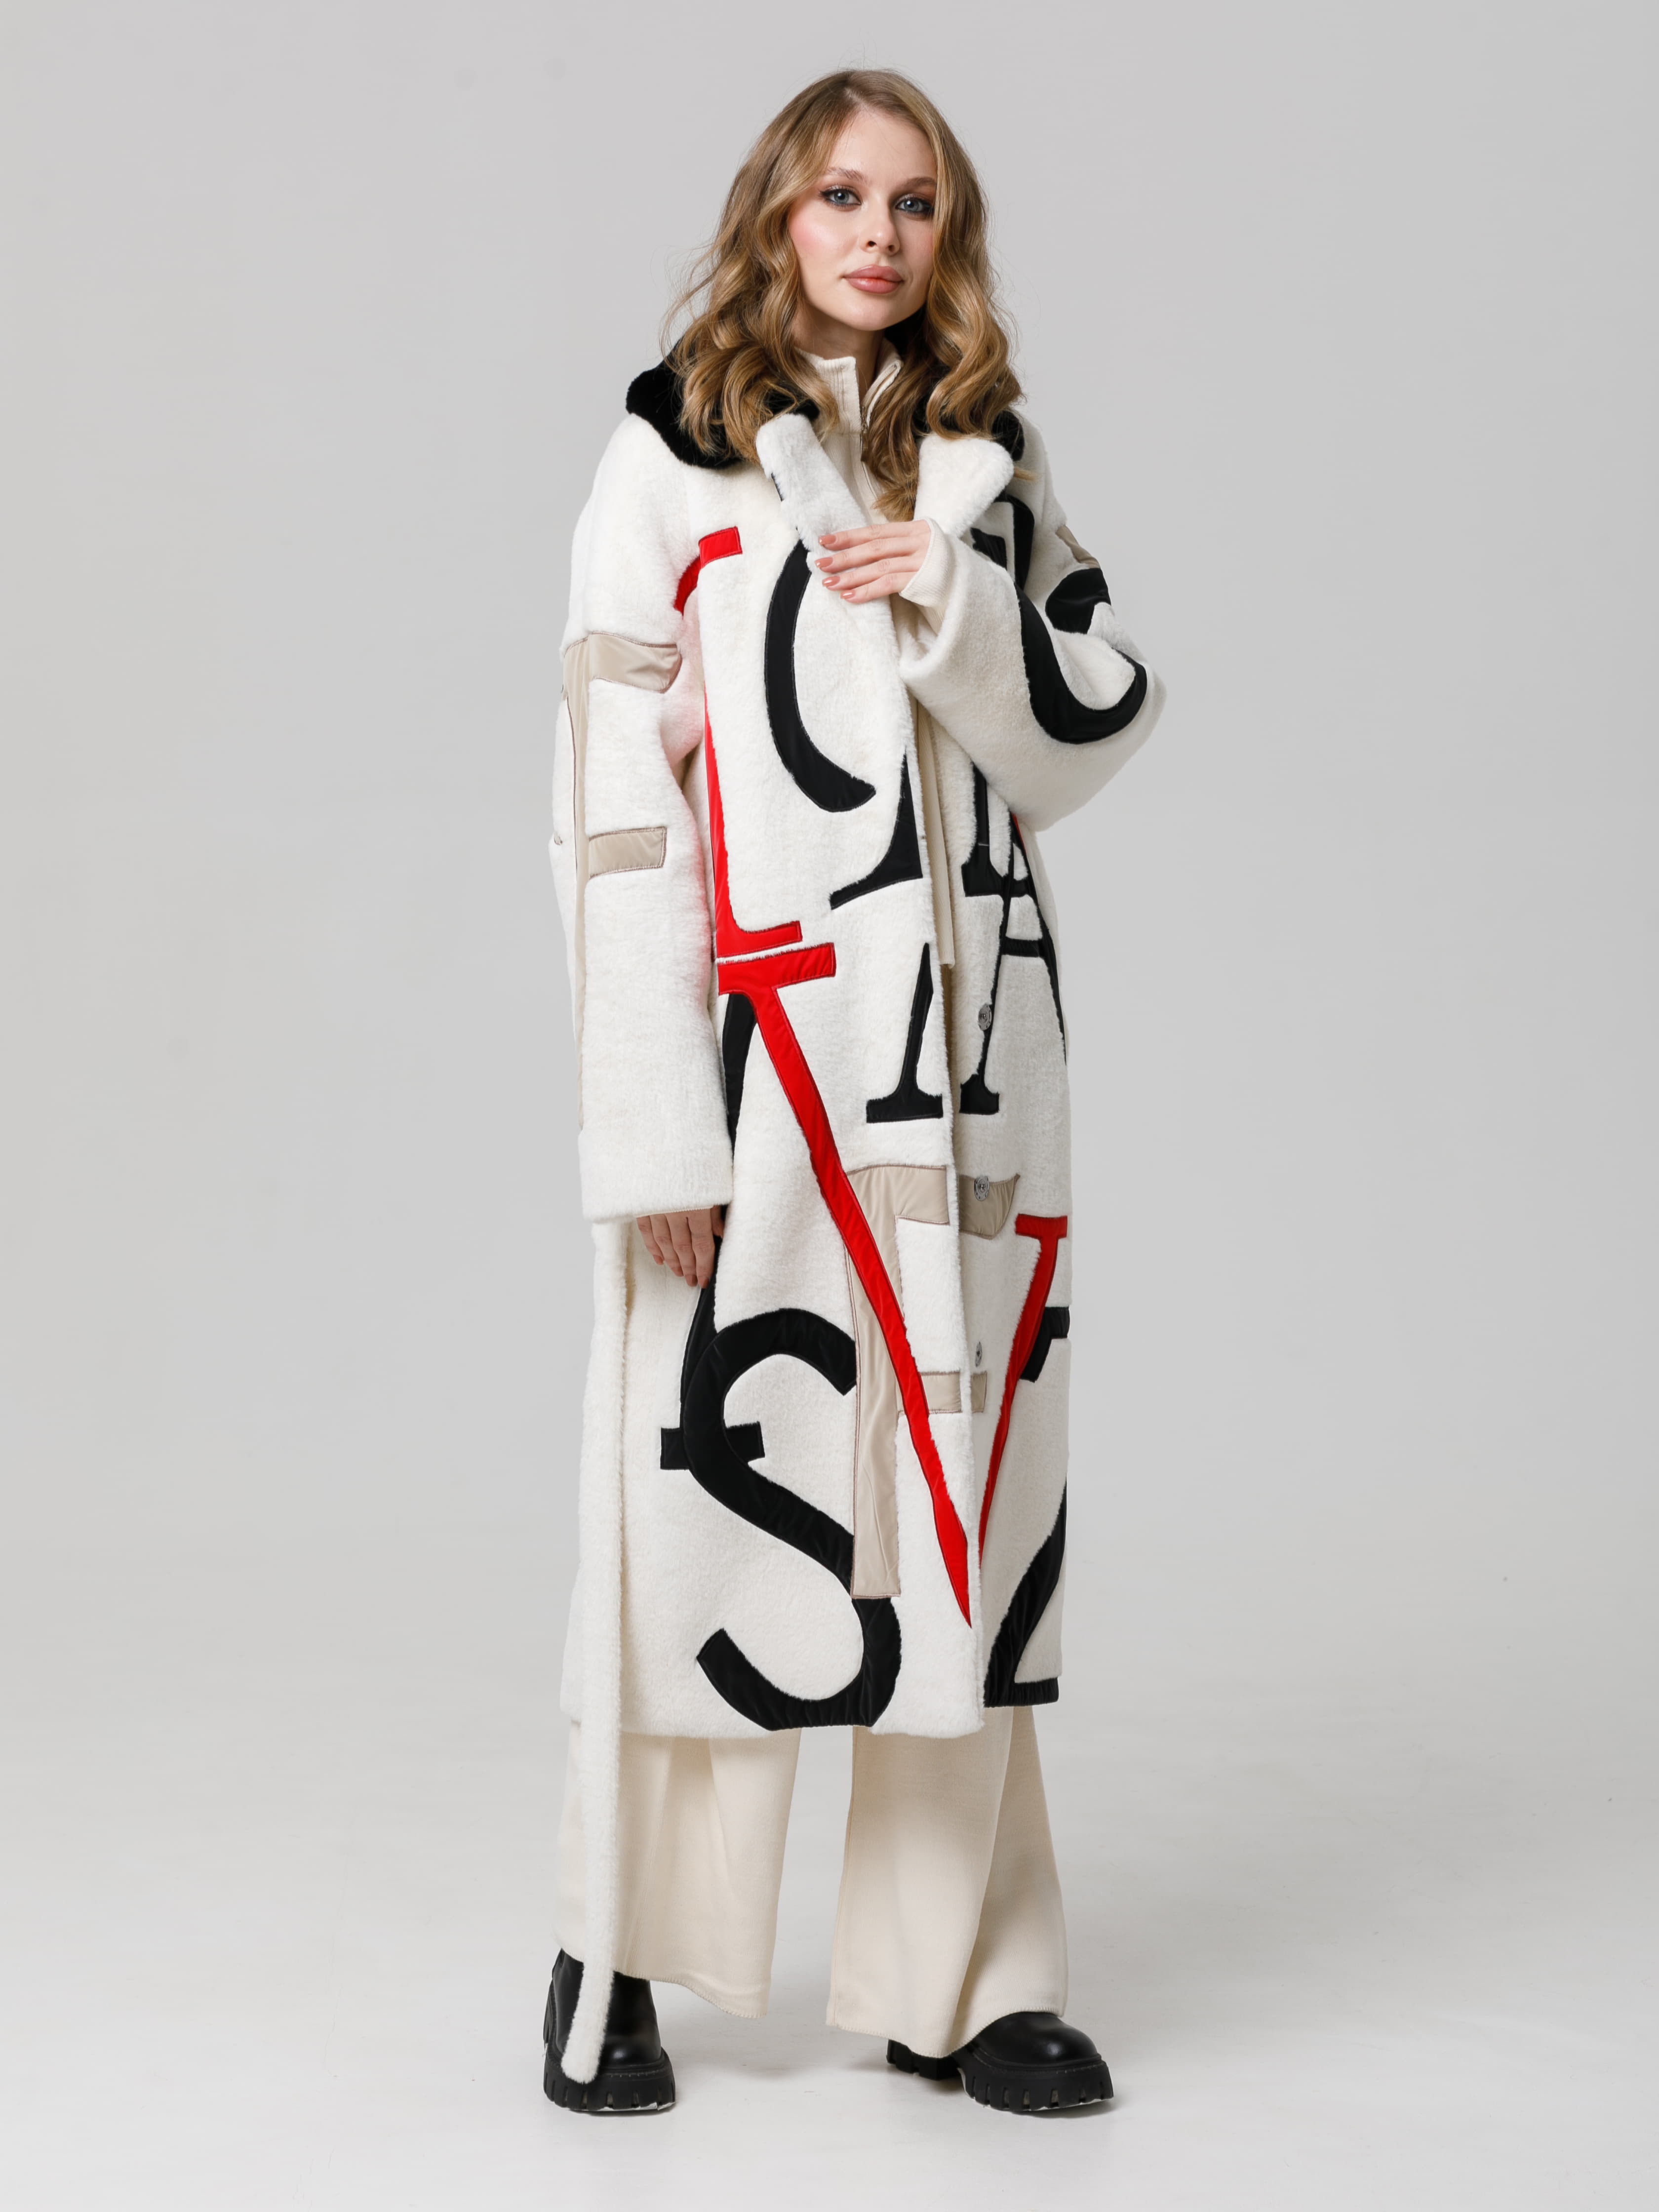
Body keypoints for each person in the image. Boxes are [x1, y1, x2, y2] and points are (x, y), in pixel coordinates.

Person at [542, 67, 1163, 2118]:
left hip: (970, 1089)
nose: (877, 236)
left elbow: (1091, 719)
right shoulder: (671, 452)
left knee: (959, 1522)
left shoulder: (990, 459)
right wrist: (655, 1127)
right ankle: (618, 1960)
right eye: (838, 197)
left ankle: (966, 1982)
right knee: (713, 1513)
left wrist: (949, 605)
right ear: (777, 217)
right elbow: (610, 806)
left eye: (913, 203)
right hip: (765, 1069)